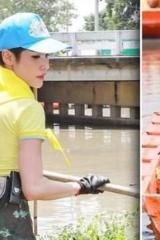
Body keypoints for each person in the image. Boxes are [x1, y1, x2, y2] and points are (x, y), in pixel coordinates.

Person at [0, 13, 108, 239]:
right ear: (8, 57)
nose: (45, 65)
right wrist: (81, 186)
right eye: (35, 56)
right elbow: (34, 188)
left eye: (47, 55)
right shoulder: (27, 108)